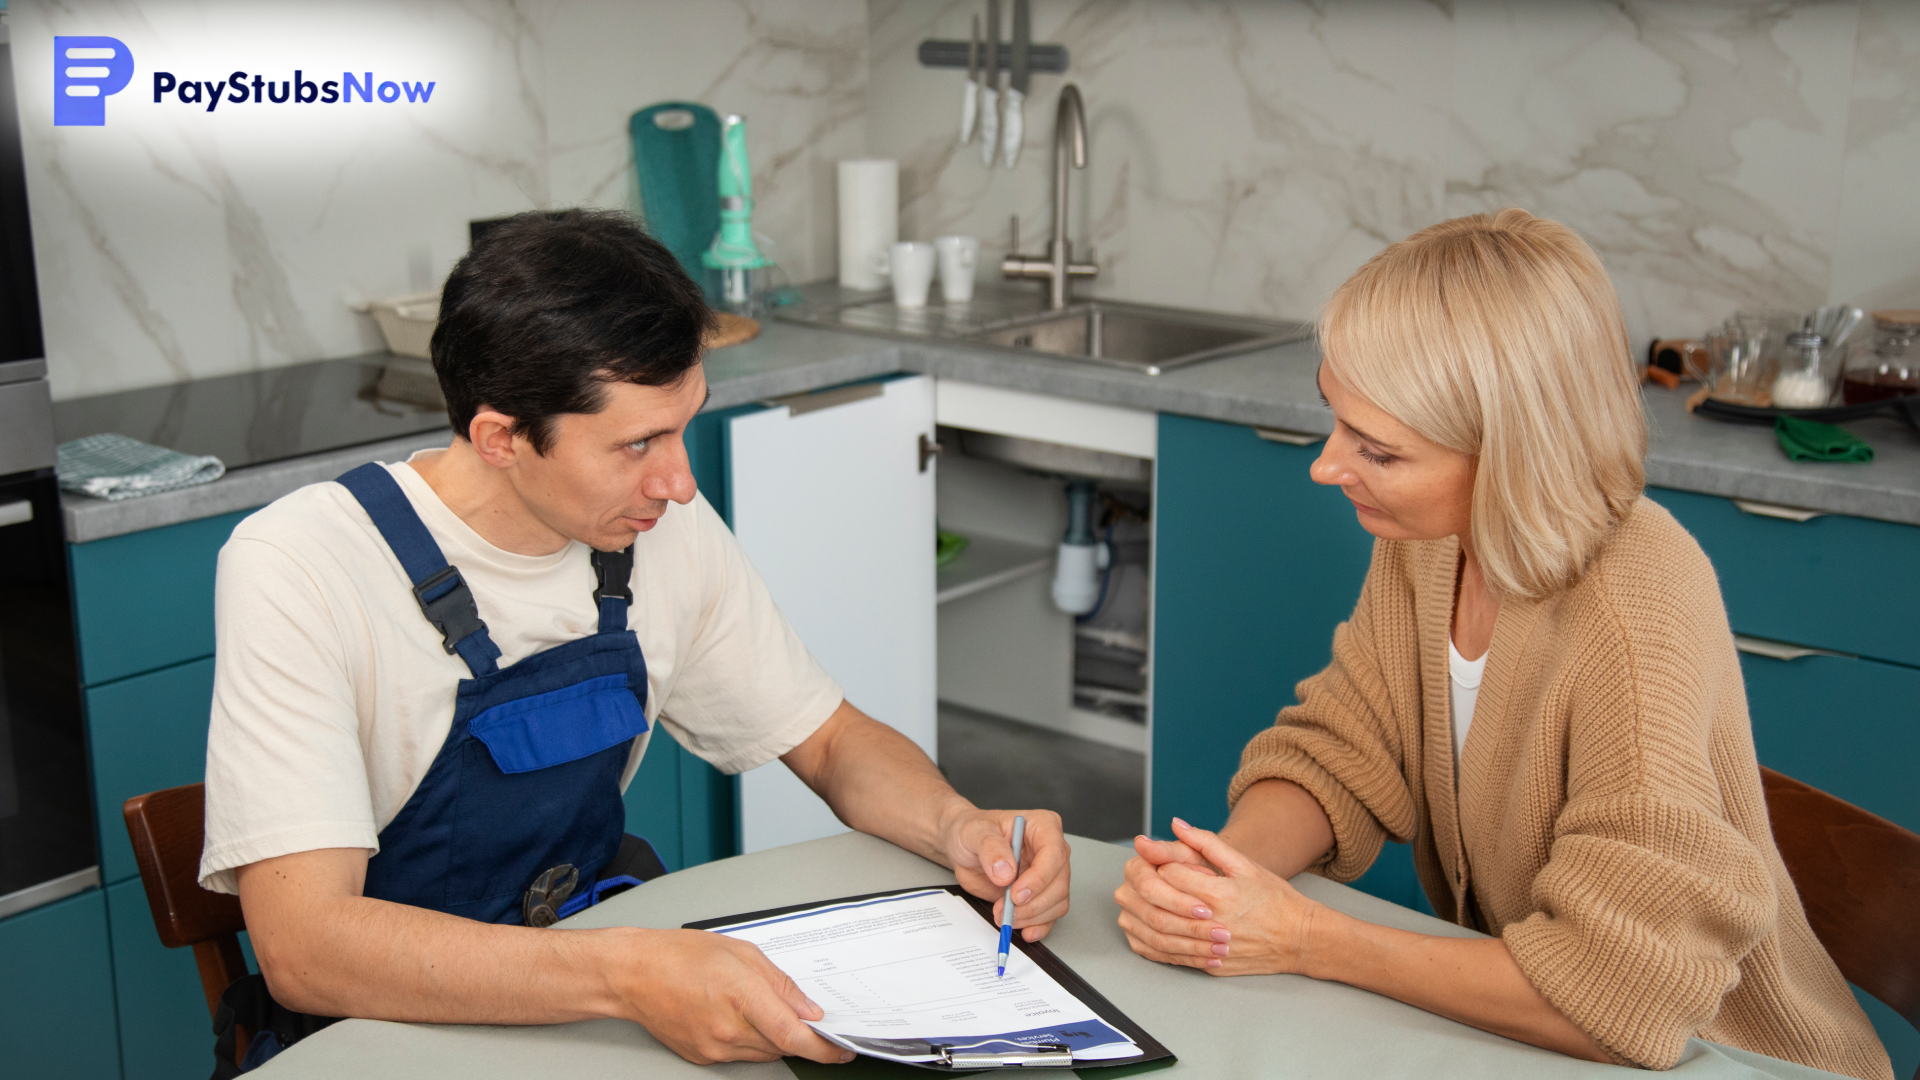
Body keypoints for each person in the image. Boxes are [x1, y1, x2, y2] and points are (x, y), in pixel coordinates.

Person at [199, 210, 1069, 1068]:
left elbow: (832, 741)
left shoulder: (650, 526)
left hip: (589, 983)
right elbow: (306, 947)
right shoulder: (302, 564)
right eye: (639, 442)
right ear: (501, 437)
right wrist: (625, 972)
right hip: (390, 1030)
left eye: (684, 425)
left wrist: (961, 827)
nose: (680, 482)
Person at [1112, 210, 1891, 1080]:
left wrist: (1305, 938)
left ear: (1514, 454)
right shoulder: (1429, 543)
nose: (1327, 466)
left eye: (1378, 451)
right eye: (1336, 421)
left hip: (1733, 1059)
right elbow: (1341, 749)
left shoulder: (1636, 603)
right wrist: (1220, 886)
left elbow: (1618, 996)